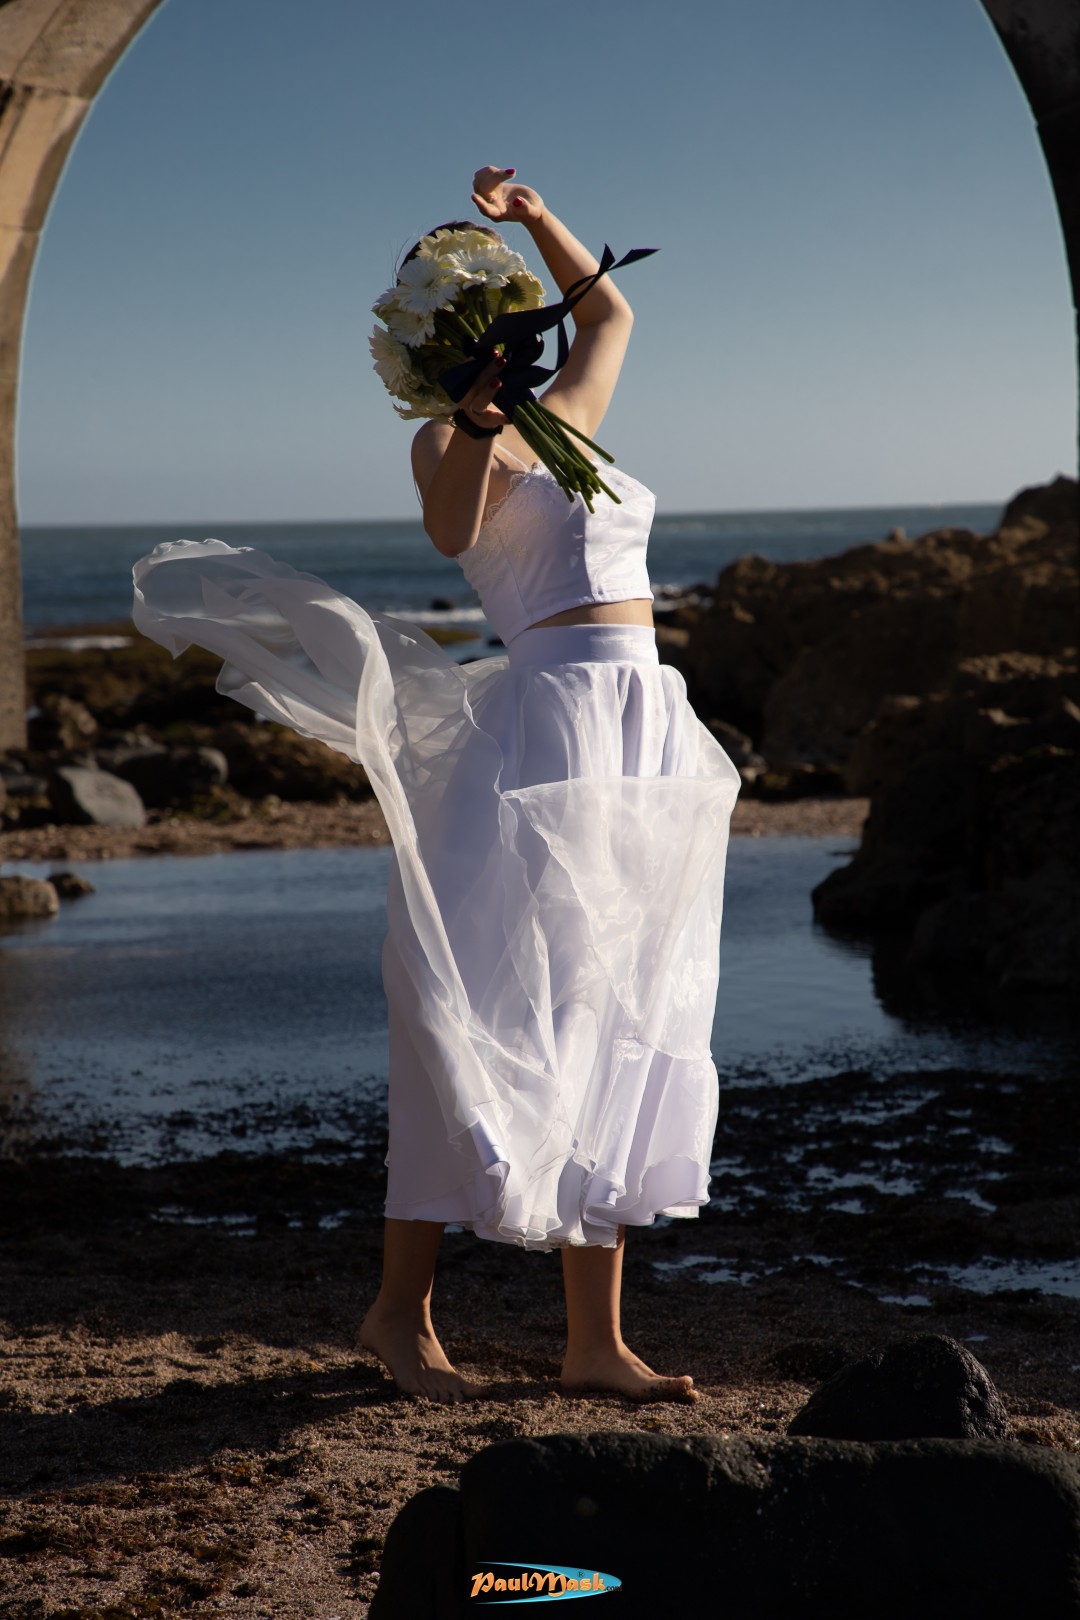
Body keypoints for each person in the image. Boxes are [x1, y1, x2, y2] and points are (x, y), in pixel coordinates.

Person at [132, 166, 740, 1407]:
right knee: (481, 1021)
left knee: (617, 1011)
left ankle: (593, 1343)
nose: (514, 319)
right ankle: (399, 1315)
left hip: (640, 730)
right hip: (545, 737)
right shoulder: (449, 439)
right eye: (487, 307)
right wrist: (469, 419)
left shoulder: (570, 413)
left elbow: (612, 311)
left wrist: (536, 216)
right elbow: (452, 533)